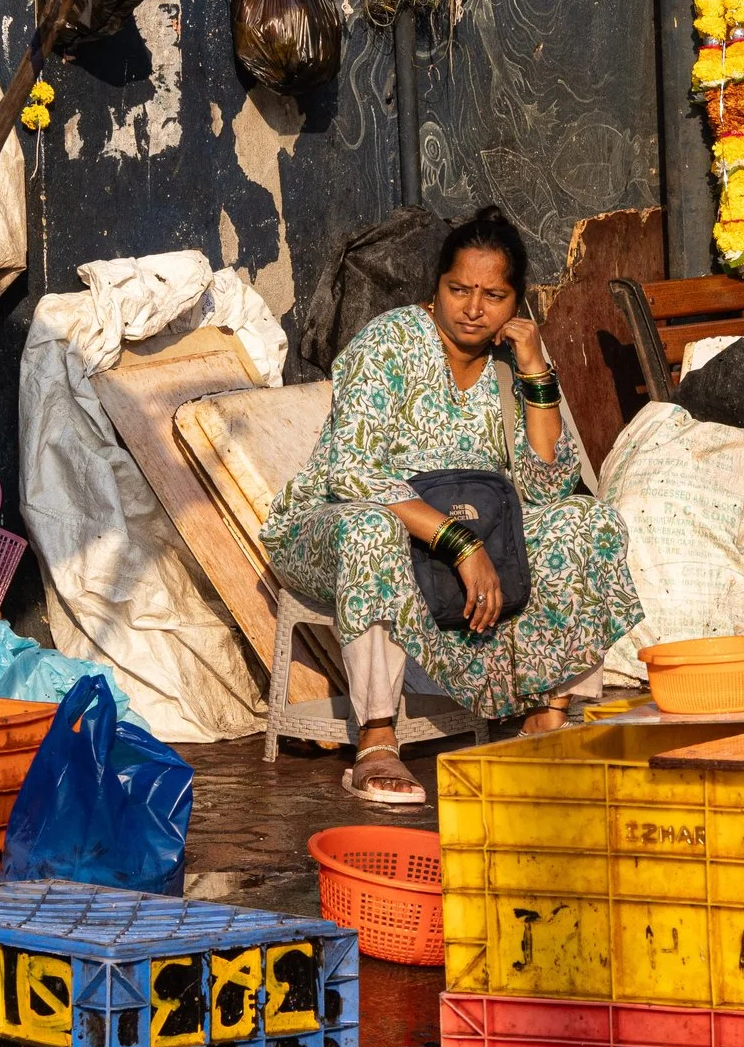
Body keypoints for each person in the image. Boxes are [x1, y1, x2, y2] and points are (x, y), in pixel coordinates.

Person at [262, 207, 642, 804]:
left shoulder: (509, 365)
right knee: (371, 530)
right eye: (458, 289)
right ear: (436, 285)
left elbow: (545, 487)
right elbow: (355, 474)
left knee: (585, 522)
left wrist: (537, 370)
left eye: (493, 295)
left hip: (467, 530)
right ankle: (377, 742)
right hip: (338, 524)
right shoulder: (388, 343)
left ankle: (546, 717)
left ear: (516, 303)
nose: (472, 308)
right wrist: (459, 544)